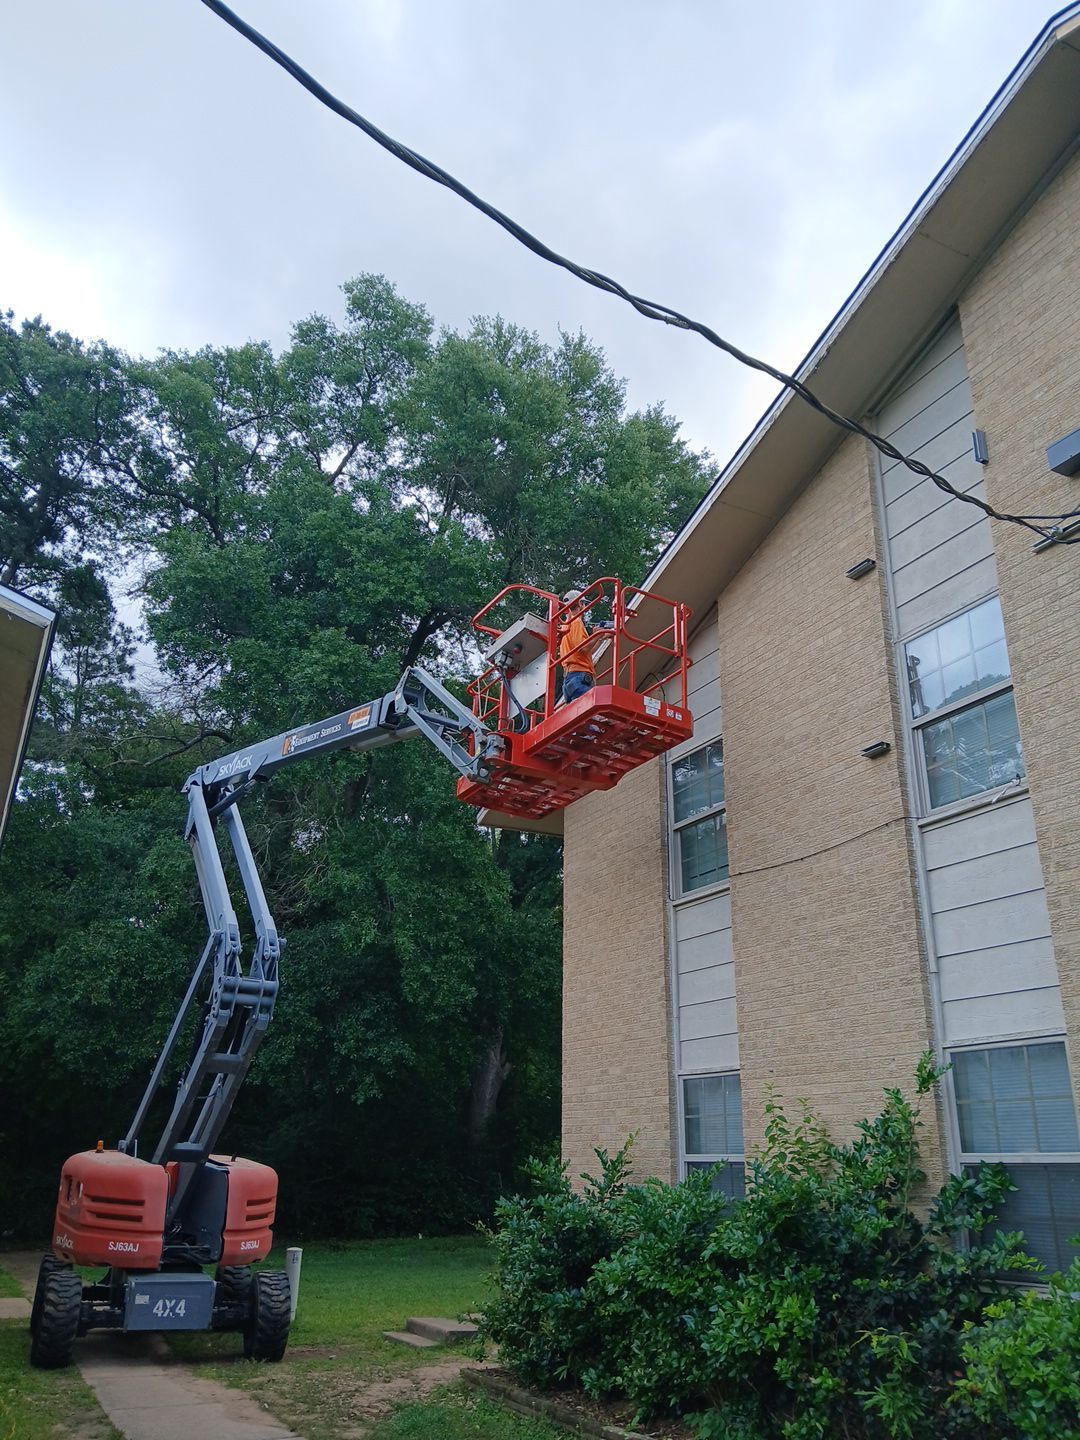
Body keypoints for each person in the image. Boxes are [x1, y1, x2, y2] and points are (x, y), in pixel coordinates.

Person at [557, 588, 600, 704]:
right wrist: (596, 635)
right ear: (580, 604)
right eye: (584, 604)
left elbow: (586, 652)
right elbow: (582, 649)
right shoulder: (576, 622)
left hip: (570, 679)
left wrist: (599, 638)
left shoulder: (565, 626)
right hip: (579, 676)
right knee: (591, 709)